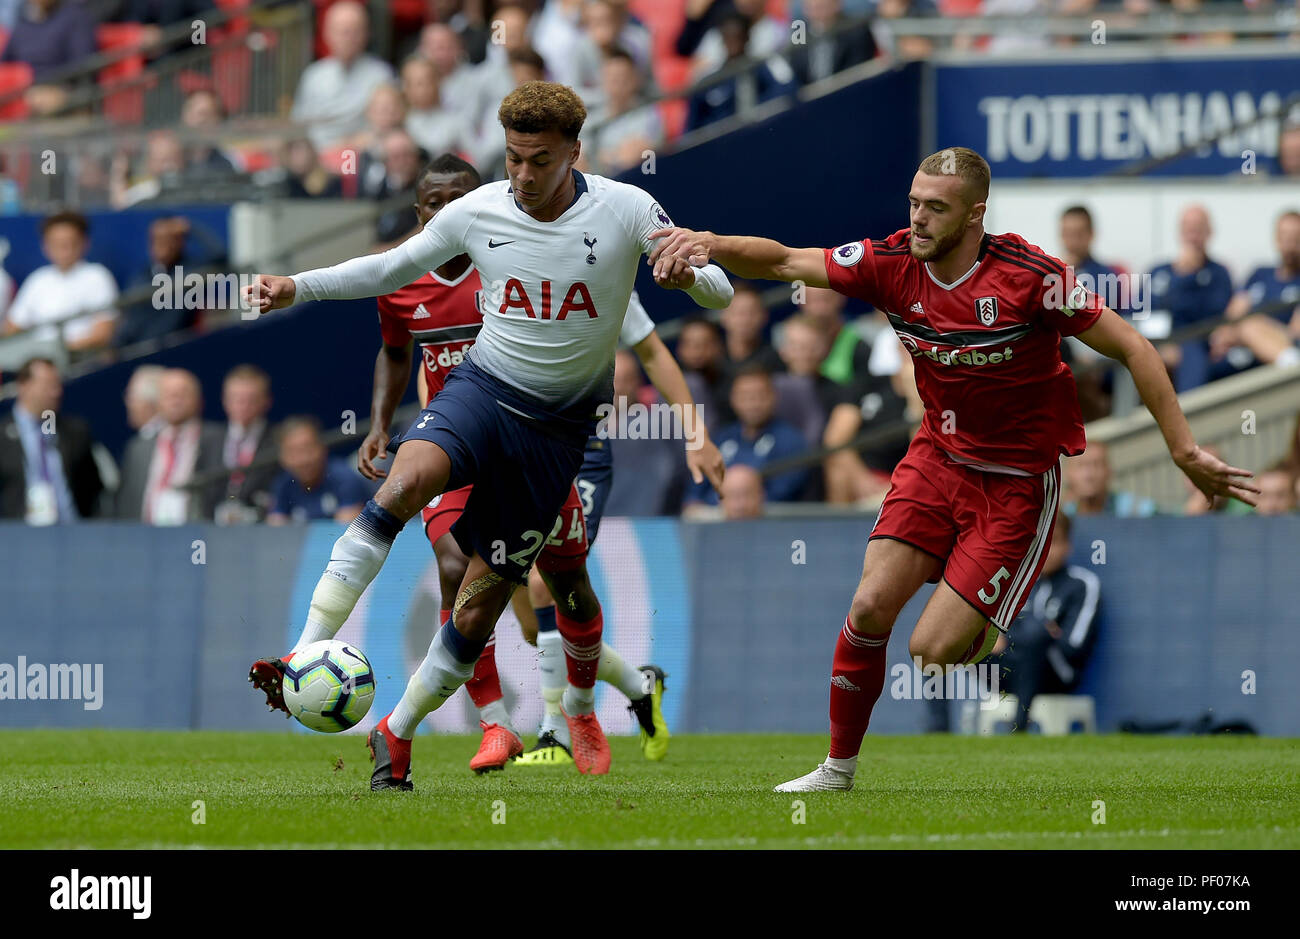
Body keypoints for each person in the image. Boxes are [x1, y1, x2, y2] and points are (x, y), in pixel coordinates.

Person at [649, 145, 1258, 792]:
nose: (916, 218)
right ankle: (837, 769)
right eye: (913, 202)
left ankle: (988, 608)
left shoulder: (1031, 277)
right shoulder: (890, 264)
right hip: (935, 460)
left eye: (935, 208)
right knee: (870, 604)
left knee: (931, 652)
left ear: (975, 215)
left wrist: (1184, 448)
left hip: (1017, 483)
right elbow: (782, 260)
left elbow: (1133, 345)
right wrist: (710, 242)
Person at [244, 81, 732, 788]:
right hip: (482, 391)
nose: (524, 176)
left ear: (574, 152)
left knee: (488, 602)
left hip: (559, 431)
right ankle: (306, 649)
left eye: (539, 160)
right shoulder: (479, 210)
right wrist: (298, 286)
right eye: (512, 158)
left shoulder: (626, 210)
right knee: (406, 484)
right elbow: (387, 268)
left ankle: (414, 727)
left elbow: (718, 290)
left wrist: (692, 274)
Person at [986, 511, 1101, 731]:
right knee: (948, 638)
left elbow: (1073, 647)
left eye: (1053, 542)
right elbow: (998, 634)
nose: (1044, 551)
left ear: (1068, 545)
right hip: (1012, 669)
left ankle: (1019, 725)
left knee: (1036, 633)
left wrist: (1033, 634)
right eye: (1037, 543)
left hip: (1057, 674)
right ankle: (937, 731)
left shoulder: (1082, 584)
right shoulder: (1019, 584)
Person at [686, 364, 810, 507]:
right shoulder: (721, 438)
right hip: (711, 522)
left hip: (761, 524)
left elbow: (779, 496)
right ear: (733, 399)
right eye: (745, 396)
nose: (753, 403)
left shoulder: (792, 442)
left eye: (760, 396)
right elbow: (695, 491)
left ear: (774, 397)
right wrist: (693, 505)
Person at [0, 357, 103, 522]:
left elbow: (94, 489)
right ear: (24, 386)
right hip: (20, 539)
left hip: (74, 533)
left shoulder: (75, 431)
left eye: (57, 385)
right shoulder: (2, 437)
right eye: (48, 385)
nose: (56, 392)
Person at [116, 368, 223, 523]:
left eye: (183, 394)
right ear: (157, 402)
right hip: (146, 538)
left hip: (198, 538)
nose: (175, 400)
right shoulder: (138, 447)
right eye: (168, 395)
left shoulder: (217, 440)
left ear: (199, 401)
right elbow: (126, 502)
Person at [4, 211, 118, 353]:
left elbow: (102, 334)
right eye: (57, 243)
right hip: (33, 357)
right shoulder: (38, 279)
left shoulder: (98, 276)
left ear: (85, 243)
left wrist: (57, 351)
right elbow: (12, 326)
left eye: (71, 243)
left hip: (77, 359)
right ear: (45, 246)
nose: (65, 250)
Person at [290, 1, 396, 150]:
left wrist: (349, 147)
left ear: (366, 33)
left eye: (355, 31)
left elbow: (388, 126)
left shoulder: (382, 75)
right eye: (342, 31)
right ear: (326, 33)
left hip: (362, 156)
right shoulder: (313, 75)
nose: (348, 38)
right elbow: (298, 125)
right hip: (318, 157)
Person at [266, 417, 371, 524]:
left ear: (322, 448)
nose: (303, 459)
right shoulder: (283, 484)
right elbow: (275, 528)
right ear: (282, 458)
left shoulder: (344, 478)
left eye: (308, 448)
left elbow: (346, 532)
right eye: (293, 452)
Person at [214, 364, 278, 522]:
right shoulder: (210, 439)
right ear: (225, 400)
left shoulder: (278, 440)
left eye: (251, 399)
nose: (243, 405)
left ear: (266, 401)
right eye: (236, 399)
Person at [1062, 441, 1156, 517]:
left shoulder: (1135, 510)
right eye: (1081, 466)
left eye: (1096, 465)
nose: (1089, 475)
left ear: (1109, 471)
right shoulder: (1063, 517)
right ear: (1067, 474)